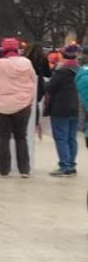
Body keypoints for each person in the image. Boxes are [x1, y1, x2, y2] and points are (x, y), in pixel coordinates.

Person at [0, 38, 37, 178]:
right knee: (21, 137)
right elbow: (33, 80)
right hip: (23, 104)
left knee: (3, 137)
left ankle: (4, 170)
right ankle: (24, 169)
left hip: (1, 105)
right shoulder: (26, 63)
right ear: (17, 48)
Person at [42, 46, 80, 176]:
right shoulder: (80, 70)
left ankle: (65, 166)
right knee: (71, 138)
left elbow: (50, 88)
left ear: (63, 56)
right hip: (75, 108)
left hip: (60, 108)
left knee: (61, 138)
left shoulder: (61, 72)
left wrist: (44, 83)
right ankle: (71, 164)